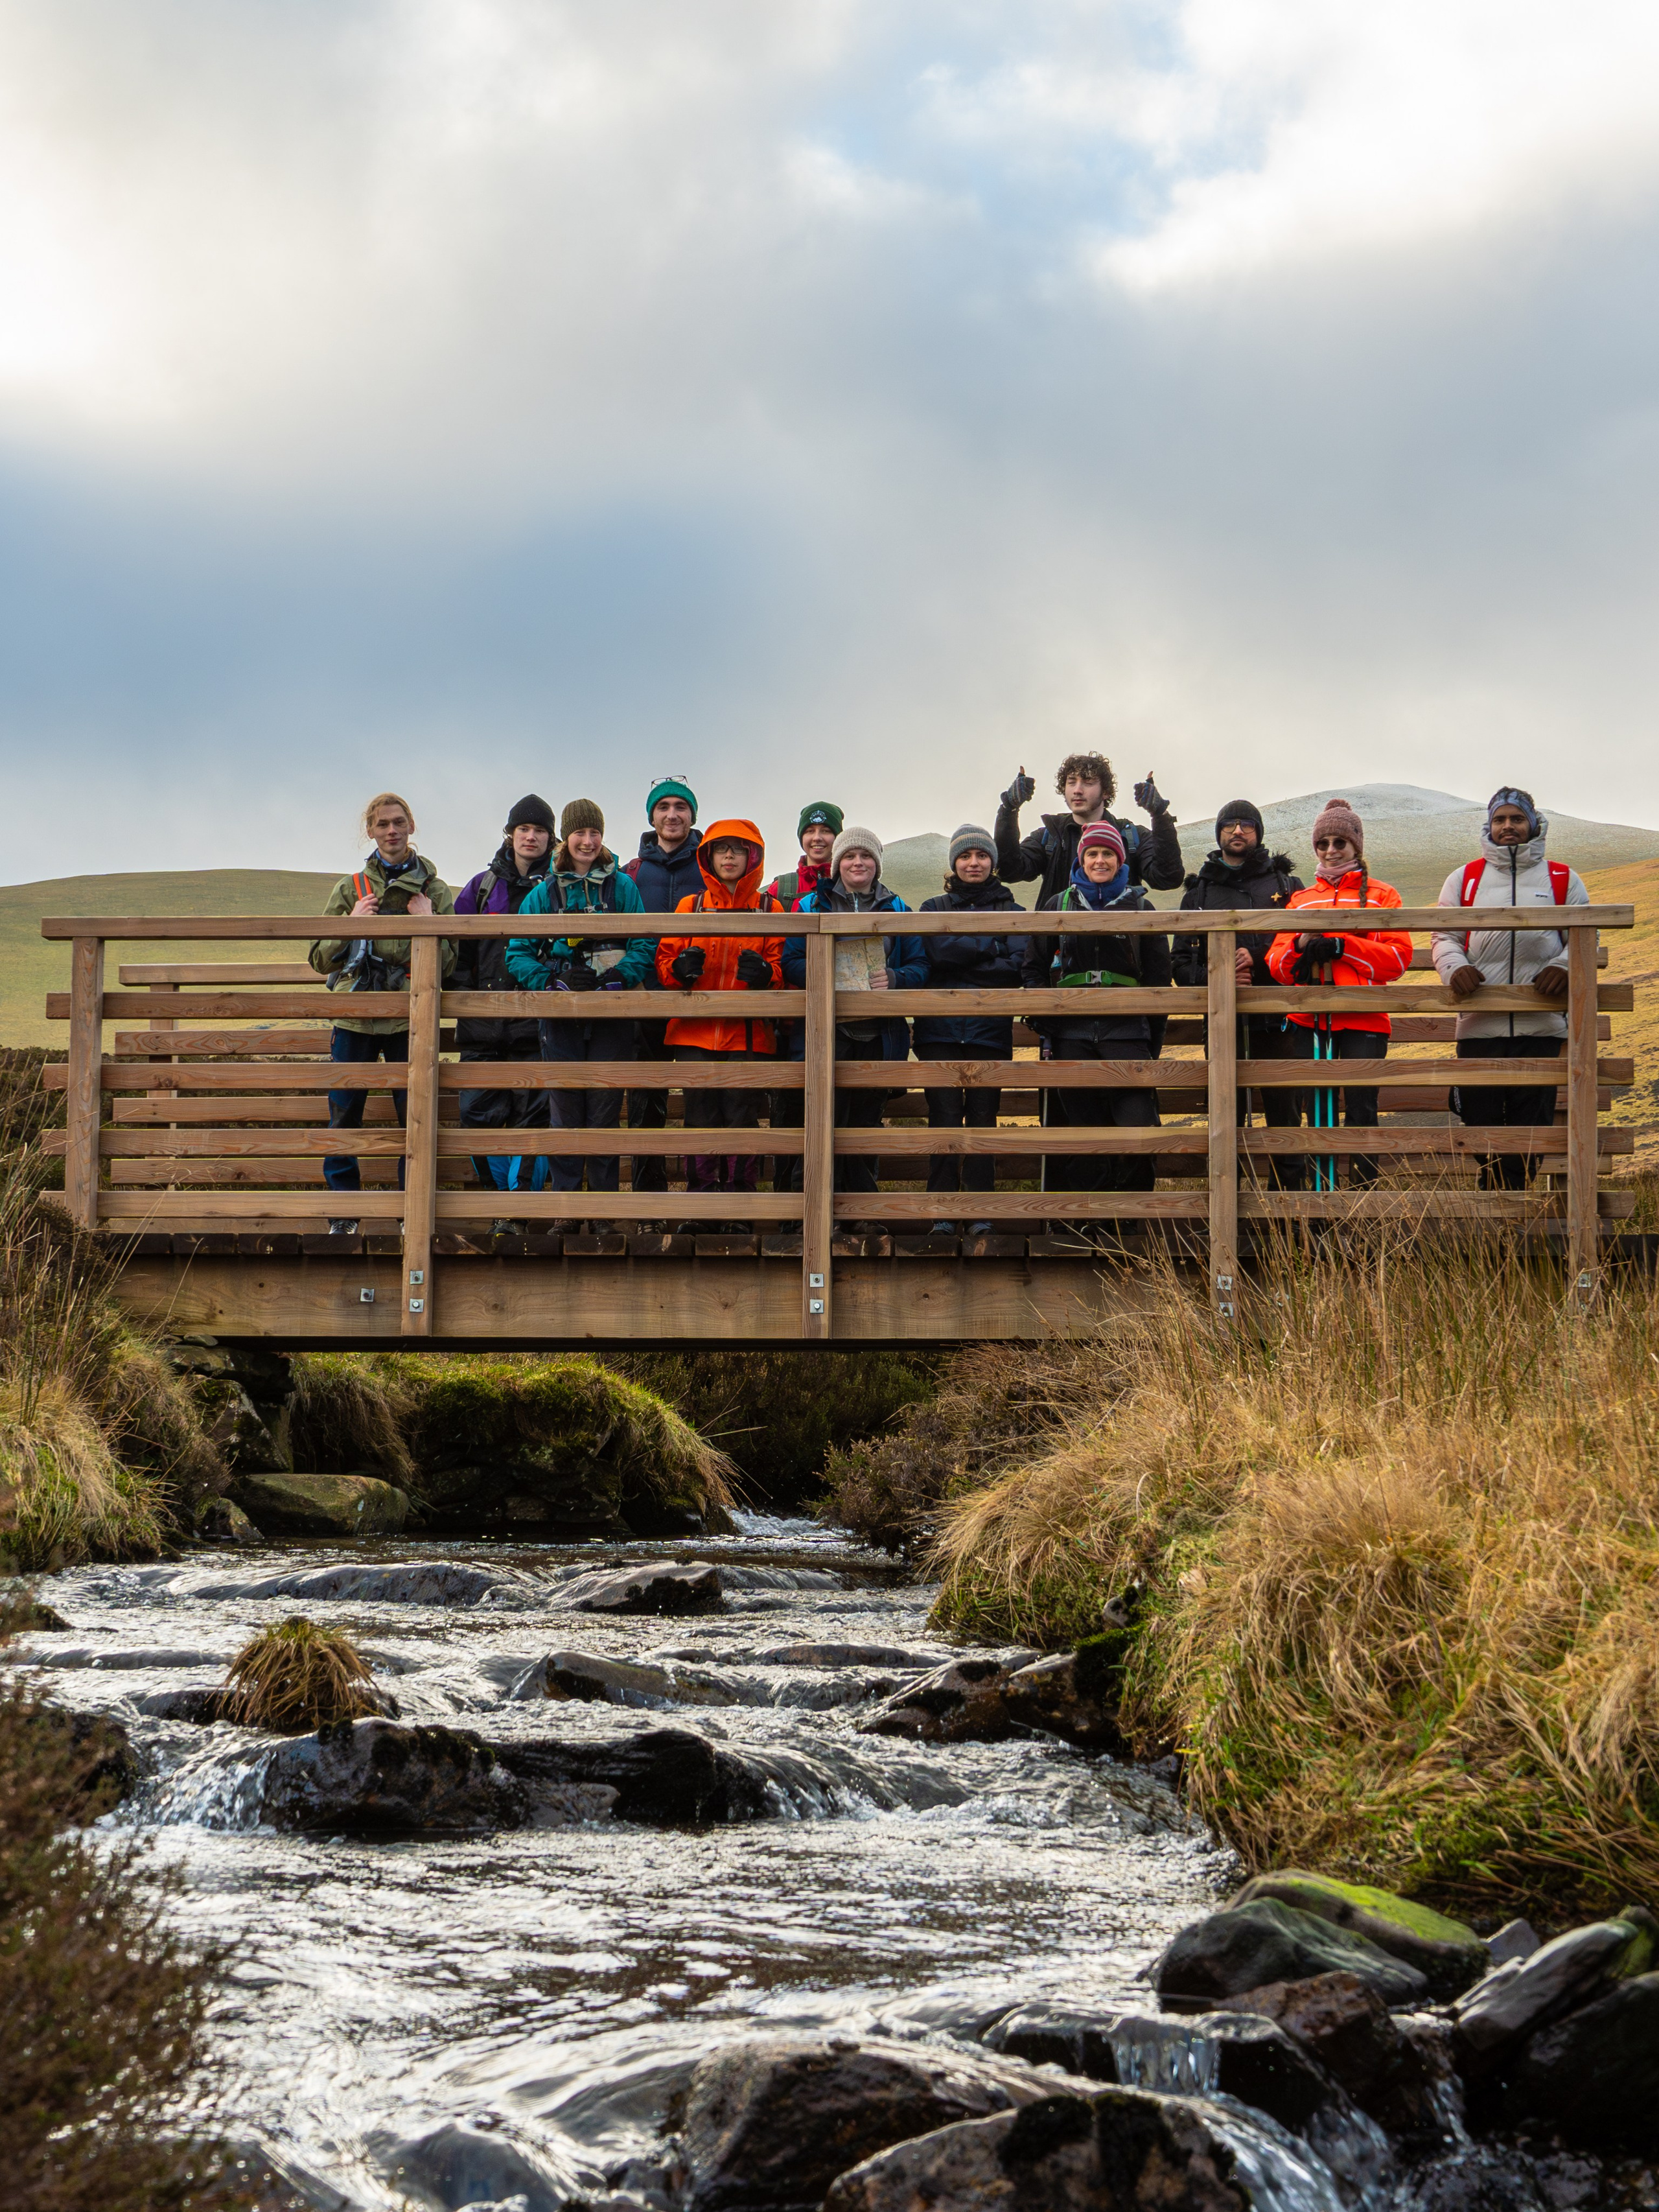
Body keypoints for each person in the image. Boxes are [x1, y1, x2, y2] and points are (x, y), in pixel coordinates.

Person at [505, 800, 655, 1233]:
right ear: (565, 839)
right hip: (561, 1018)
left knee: (606, 1113)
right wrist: (551, 984)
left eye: (595, 834)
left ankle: (605, 1216)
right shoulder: (544, 894)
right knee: (565, 1113)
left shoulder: (623, 888)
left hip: (612, 1015)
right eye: (580, 834)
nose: (588, 842)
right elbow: (517, 951)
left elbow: (644, 942)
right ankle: (567, 1212)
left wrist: (619, 979)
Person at [310, 793, 456, 1234]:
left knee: (414, 1117)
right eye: (382, 825)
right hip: (354, 1018)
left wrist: (430, 923)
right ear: (370, 831)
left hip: (409, 1018)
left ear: (411, 825)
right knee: (344, 1116)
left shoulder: (435, 891)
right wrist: (351, 923)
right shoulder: (349, 889)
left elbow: (449, 963)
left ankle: (410, 1214)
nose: (391, 831)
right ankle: (343, 1215)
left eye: (398, 822)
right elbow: (319, 959)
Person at [1431, 788, 1589, 1188]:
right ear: (1490, 826)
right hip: (1479, 1024)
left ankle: (1510, 1212)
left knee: (1531, 1128)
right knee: (1479, 1120)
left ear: (1532, 824)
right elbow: (1443, 935)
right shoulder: (1464, 879)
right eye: (1500, 820)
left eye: (1516, 819)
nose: (1508, 827)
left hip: (1542, 1027)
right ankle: (1497, 1206)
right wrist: (1455, 969)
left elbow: (1588, 935)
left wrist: (1563, 966)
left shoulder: (1562, 879)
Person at [1021, 821, 1171, 1244]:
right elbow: (1032, 966)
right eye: (1093, 854)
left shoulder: (1142, 909)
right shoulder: (1056, 905)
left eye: (1109, 854)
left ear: (1121, 860)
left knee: (1140, 1131)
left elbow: (1160, 981)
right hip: (1071, 1035)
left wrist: (1149, 1041)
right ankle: (1093, 1224)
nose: (1100, 861)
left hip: (1129, 1035)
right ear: (1081, 860)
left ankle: (1129, 1224)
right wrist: (1040, 1008)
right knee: (1083, 1135)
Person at [1266, 798, 1412, 1189]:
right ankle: (1320, 1209)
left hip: (1364, 1020)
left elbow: (1398, 960)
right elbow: (1277, 964)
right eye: (1323, 843)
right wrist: (1300, 945)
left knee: (1362, 1112)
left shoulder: (1383, 895)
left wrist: (1343, 946)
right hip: (1308, 1019)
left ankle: (1362, 1208)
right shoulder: (1299, 900)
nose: (1331, 851)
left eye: (1339, 843)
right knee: (1318, 1113)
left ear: (1356, 846)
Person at [782, 828, 926, 1220]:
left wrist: (895, 980)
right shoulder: (810, 905)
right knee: (820, 1123)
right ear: (836, 864)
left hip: (878, 1036)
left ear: (877, 864)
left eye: (866, 856)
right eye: (849, 856)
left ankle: (862, 1218)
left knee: (864, 1126)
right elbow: (790, 962)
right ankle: (809, 1219)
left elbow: (920, 966)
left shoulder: (898, 909)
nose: (857, 863)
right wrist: (824, 971)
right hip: (826, 1034)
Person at [654, 819, 785, 1228]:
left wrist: (767, 975)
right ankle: (701, 1209)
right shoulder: (689, 907)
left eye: (739, 849)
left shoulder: (770, 908)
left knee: (741, 1120)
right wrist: (679, 968)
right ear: (707, 856)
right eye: (722, 849)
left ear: (753, 857)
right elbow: (663, 964)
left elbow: (784, 971)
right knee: (699, 1120)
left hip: (748, 1035)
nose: (730, 856)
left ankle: (740, 1211)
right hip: (694, 1034)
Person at [1172, 800, 1306, 1188]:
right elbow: (1180, 964)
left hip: (1279, 1020)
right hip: (1221, 1022)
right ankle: (1227, 1204)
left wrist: (1260, 960)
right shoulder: (1199, 891)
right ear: (1218, 834)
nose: (1237, 832)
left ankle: (1290, 1209)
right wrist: (1218, 977)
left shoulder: (1285, 886)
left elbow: (1299, 948)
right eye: (1229, 825)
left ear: (1258, 833)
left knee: (1286, 1113)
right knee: (1225, 1115)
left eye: (1246, 825)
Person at [453, 794, 555, 1229]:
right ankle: (499, 1209)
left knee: (534, 1122)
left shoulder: (560, 887)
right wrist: (468, 1000)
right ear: (511, 835)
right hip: (483, 1030)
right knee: (478, 1121)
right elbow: (457, 956)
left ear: (552, 838)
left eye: (539, 830)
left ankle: (518, 1214)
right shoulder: (480, 888)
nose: (531, 837)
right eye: (523, 829)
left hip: (537, 1029)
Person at [914, 825, 1023, 1235]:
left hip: (989, 1031)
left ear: (993, 862)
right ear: (954, 864)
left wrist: (960, 952)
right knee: (942, 1120)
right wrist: (990, 945)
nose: (973, 863)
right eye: (965, 857)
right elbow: (936, 952)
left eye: (981, 856)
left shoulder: (1013, 911)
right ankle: (940, 1212)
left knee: (983, 1121)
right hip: (938, 1032)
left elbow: (1015, 970)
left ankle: (980, 1212)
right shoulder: (932, 907)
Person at [622, 776, 704, 1217]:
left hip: (697, 1000)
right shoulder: (632, 872)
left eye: (681, 807)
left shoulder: (709, 866)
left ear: (693, 816)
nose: (672, 814)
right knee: (644, 1103)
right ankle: (647, 1205)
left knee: (699, 1100)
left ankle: (699, 1202)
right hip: (644, 999)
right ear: (651, 816)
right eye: (663, 807)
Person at [764, 801, 843, 1193]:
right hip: (790, 1020)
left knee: (839, 1115)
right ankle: (787, 1210)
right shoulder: (782, 887)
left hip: (841, 1019)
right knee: (788, 1114)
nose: (818, 838)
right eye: (810, 832)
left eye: (826, 832)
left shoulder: (853, 878)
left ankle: (834, 1202)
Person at [995, 752, 1184, 905]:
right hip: (1059, 946)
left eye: (1088, 782)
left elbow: (1167, 878)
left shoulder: (1131, 836)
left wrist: (1160, 816)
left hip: (1119, 944)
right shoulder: (1050, 835)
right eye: (1071, 782)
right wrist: (1009, 809)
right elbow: (1009, 871)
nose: (1077, 790)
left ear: (1106, 792)